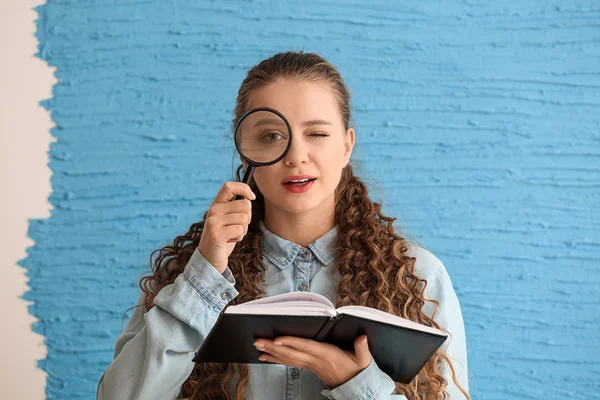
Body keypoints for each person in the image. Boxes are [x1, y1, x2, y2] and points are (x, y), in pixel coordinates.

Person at [96, 51, 471, 400]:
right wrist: (204, 275)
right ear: (245, 150)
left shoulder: (417, 275)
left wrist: (355, 384)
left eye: (318, 134)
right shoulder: (191, 272)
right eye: (271, 136)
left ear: (346, 145)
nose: (295, 155)